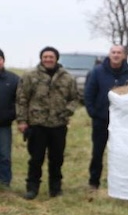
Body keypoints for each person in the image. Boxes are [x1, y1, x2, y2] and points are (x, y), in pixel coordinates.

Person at [15, 46, 79, 199]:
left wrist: (67, 111)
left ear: (56, 58)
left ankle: (55, 189)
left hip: (58, 124)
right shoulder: (30, 76)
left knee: (57, 159)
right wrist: (22, 120)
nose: (48, 59)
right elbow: (22, 98)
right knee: (36, 159)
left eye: (51, 57)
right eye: (45, 57)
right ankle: (32, 188)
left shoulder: (67, 77)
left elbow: (75, 98)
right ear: (41, 58)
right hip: (37, 124)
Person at [83, 44, 128, 189]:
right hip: (101, 120)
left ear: (124, 55)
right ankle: (94, 182)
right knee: (98, 151)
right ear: (109, 54)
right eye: (113, 52)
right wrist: (93, 113)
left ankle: (121, 181)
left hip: (122, 122)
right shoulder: (97, 72)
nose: (116, 55)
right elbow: (88, 94)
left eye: (119, 53)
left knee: (123, 151)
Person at [0, 48, 19, 190]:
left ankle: (5, 182)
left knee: (4, 154)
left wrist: (11, 115)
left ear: (3, 60)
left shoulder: (13, 79)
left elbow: (19, 101)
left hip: (4, 124)